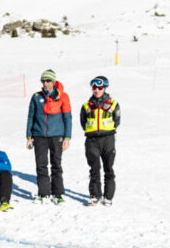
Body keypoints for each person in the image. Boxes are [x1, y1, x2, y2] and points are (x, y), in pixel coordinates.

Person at [26, 69, 72, 203]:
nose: (45, 83)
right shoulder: (36, 97)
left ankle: (57, 194)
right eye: (43, 81)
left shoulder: (63, 97)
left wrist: (67, 138)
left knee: (56, 164)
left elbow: (67, 118)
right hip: (39, 135)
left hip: (57, 135)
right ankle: (43, 193)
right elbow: (31, 117)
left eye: (48, 81)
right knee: (41, 165)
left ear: (53, 82)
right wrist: (29, 136)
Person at [80, 75, 120, 206]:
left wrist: (106, 130)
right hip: (92, 141)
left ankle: (108, 197)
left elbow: (117, 121)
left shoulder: (113, 104)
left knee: (108, 168)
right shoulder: (86, 106)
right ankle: (95, 195)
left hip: (108, 139)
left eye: (99, 87)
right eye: (94, 87)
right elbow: (83, 122)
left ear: (104, 88)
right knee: (94, 169)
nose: (96, 90)